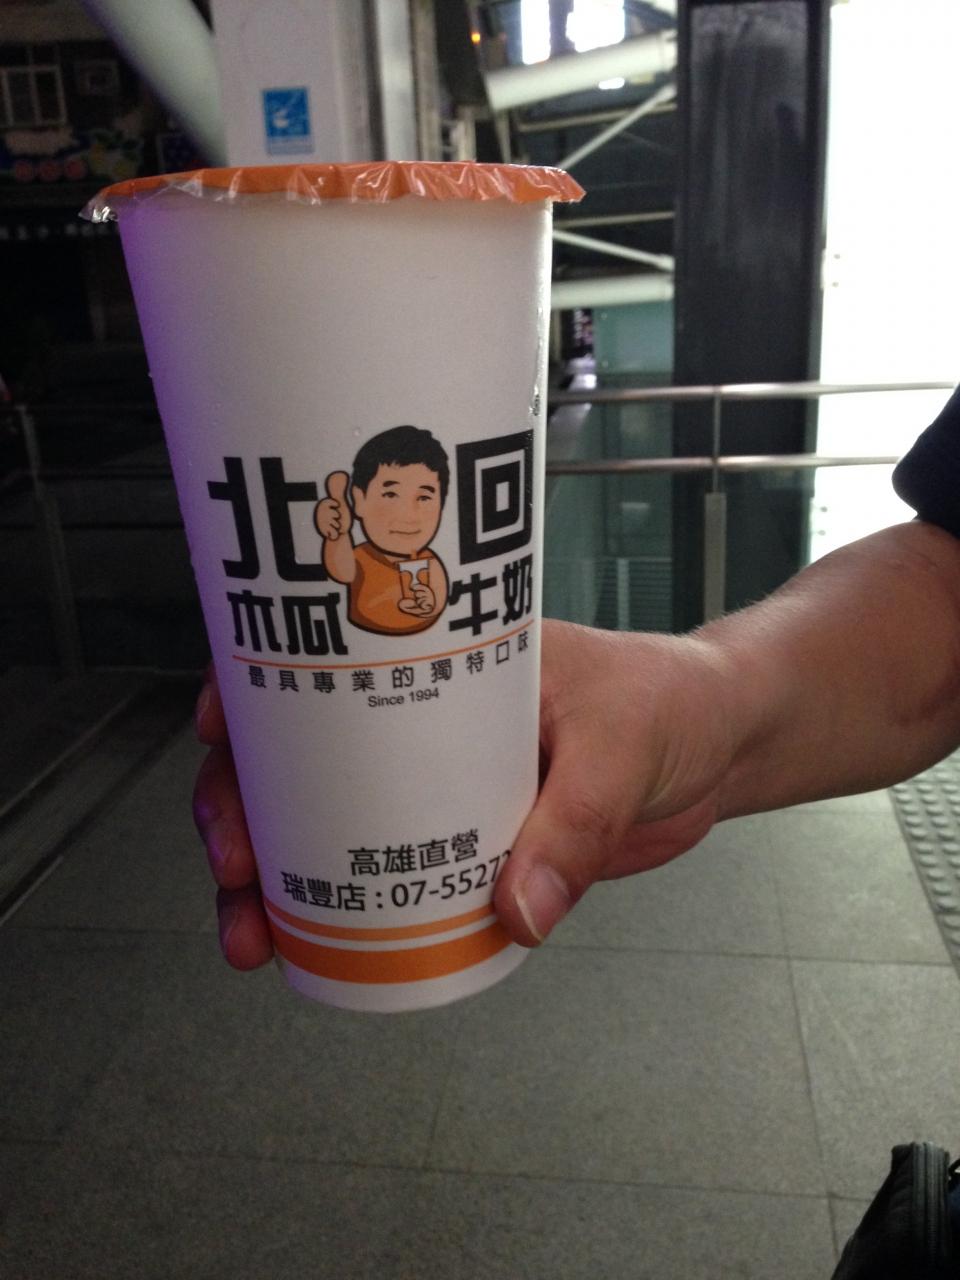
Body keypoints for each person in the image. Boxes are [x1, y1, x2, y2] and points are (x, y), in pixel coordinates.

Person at [193, 387, 960, 971]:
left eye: (426, 495)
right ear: (359, 503)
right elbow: (945, 583)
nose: (409, 509)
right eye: (390, 495)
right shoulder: (360, 551)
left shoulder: (427, 562)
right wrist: (716, 694)